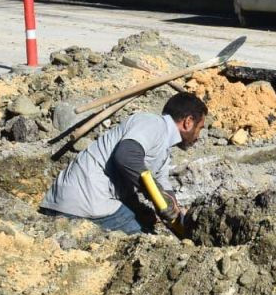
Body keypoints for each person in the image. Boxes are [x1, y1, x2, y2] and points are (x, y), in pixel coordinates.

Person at [40, 92, 208, 234]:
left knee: (145, 215)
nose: (199, 136)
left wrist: (175, 212)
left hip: (71, 201)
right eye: (199, 128)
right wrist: (156, 193)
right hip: (83, 205)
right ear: (188, 122)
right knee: (145, 235)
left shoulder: (163, 144)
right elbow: (126, 156)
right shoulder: (152, 124)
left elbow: (162, 183)